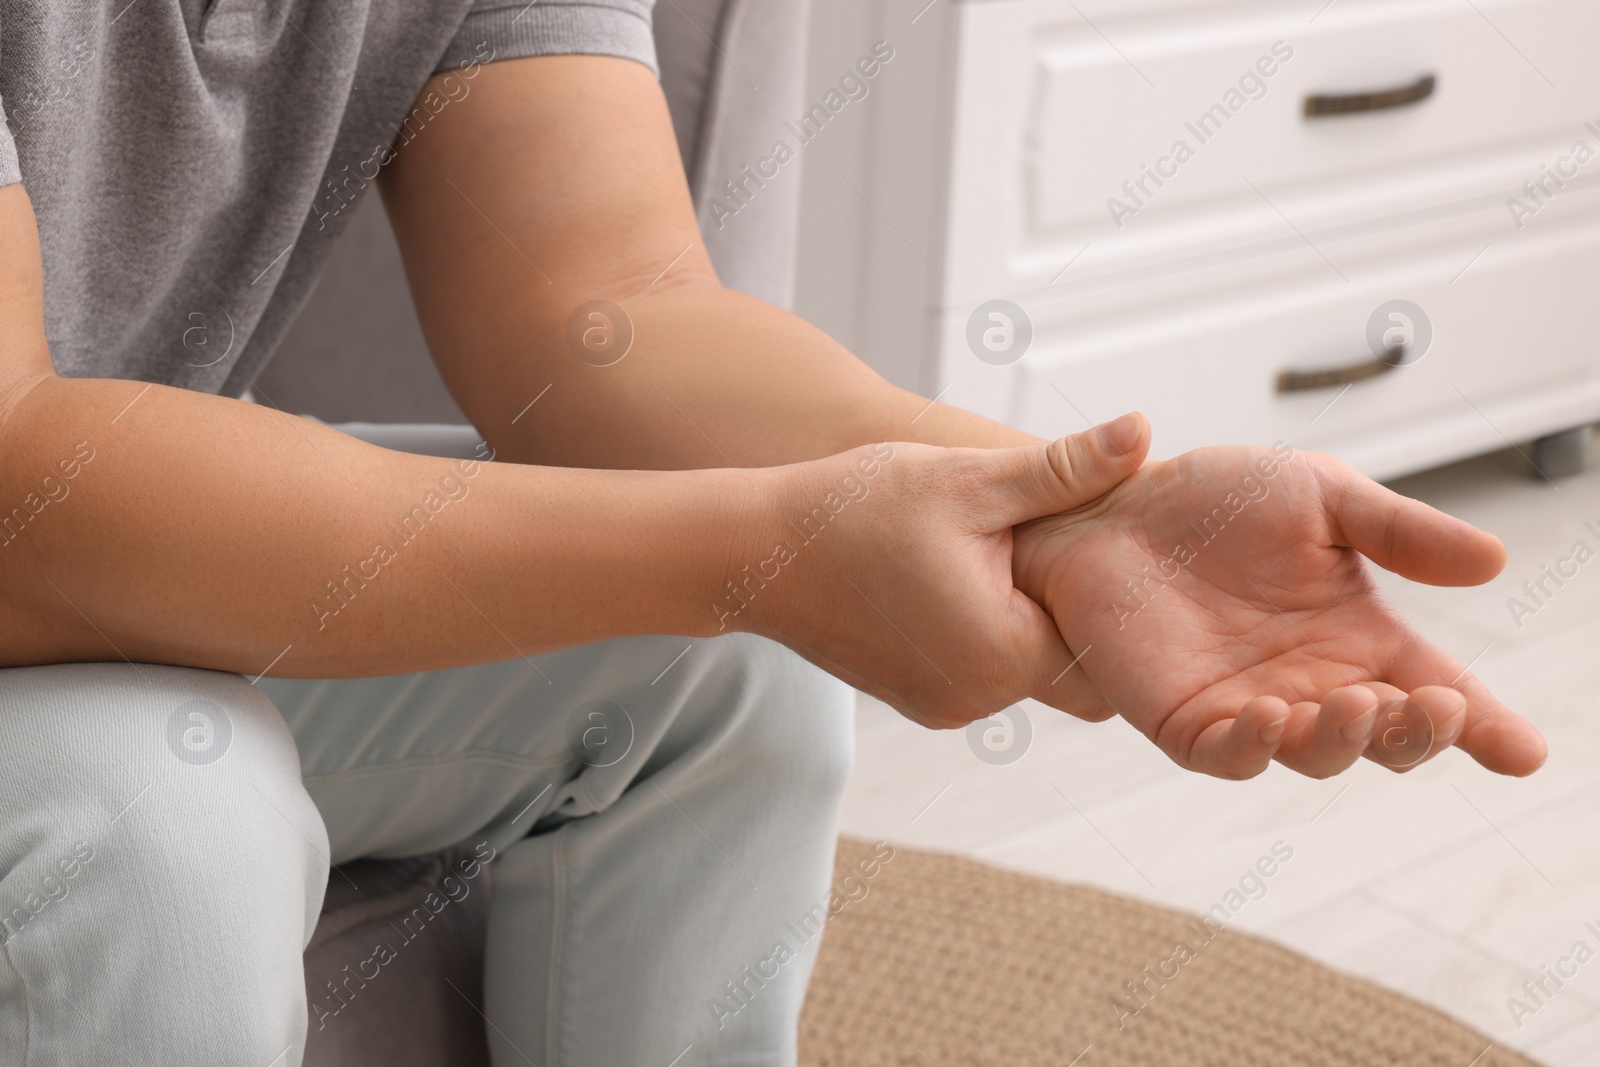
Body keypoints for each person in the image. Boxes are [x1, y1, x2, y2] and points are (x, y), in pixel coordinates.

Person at [0, 2, 1546, 1064]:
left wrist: (1072, 513)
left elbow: (609, 315)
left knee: (732, 666)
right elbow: (18, 487)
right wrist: (779, 542)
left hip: (98, 566)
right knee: (160, 824)